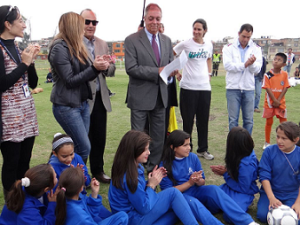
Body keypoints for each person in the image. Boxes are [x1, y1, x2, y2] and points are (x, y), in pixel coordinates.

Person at [160, 130, 259, 225]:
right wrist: (189, 183)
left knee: (214, 189)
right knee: (193, 203)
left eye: (189, 144)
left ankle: (248, 222)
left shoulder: (193, 157)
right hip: (181, 197)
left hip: (196, 191)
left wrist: (198, 180)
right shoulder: (164, 165)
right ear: (173, 147)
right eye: (185, 145)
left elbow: (202, 182)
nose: (189, 148)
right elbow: (169, 193)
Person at [48, 12, 109, 164]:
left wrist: (99, 63)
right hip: (66, 106)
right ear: (74, 26)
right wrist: (94, 68)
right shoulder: (59, 48)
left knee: (78, 146)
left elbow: (85, 72)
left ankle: (75, 179)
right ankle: (67, 175)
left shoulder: (76, 45)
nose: (85, 28)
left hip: (81, 102)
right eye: (82, 24)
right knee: (83, 146)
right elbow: (69, 80)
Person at [125, 3, 177, 172]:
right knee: (138, 136)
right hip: (139, 96)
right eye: (151, 18)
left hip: (161, 96)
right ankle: (136, 169)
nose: (155, 22)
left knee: (158, 137)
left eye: (158, 19)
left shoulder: (167, 41)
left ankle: (152, 167)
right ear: (145, 19)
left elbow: (168, 66)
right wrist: (158, 71)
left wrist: (171, 72)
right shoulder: (132, 39)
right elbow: (131, 68)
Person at [109, 130, 199, 225]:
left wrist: (151, 181)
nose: (149, 152)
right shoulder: (129, 177)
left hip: (134, 215)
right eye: (145, 149)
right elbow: (144, 208)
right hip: (132, 219)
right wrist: (152, 185)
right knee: (173, 194)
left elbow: (137, 195)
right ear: (134, 150)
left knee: (177, 209)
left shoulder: (132, 166)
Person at [0, 5, 39, 200]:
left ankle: (24, 199)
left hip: (26, 114)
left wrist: (30, 61)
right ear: (7, 24)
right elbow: (2, 83)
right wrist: (23, 64)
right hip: (8, 118)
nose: (24, 25)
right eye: (20, 21)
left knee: (25, 161)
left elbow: (33, 83)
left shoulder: (17, 46)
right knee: (12, 162)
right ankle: (12, 202)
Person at [80, 9, 113, 183]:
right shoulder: (73, 43)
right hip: (82, 98)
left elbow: (111, 71)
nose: (91, 26)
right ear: (79, 22)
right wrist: (95, 66)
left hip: (100, 97)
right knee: (82, 139)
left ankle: (98, 171)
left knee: (100, 137)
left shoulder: (102, 43)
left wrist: (107, 66)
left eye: (94, 22)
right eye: (87, 22)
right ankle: (80, 174)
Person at [174, 18, 214, 160]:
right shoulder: (186, 44)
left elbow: (209, 58)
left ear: (205, 31)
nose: (196, 32)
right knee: (188, 121)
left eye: (199, 29)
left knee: (203, 120)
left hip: (204, 89)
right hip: (188, 88)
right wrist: (176, 71)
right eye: (194, 29)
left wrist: (209, 74)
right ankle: (186, 150)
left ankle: (203, 149)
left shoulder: (208, 45)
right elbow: (172, 54)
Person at [222, 23, 262, 135]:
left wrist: (252, 64)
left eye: (248, 37)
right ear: (239, 34)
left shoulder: (256, 49)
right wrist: (245, 64)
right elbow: (228, 66)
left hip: (248, 88)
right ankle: (233, 147)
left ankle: (246, 147)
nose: (245, 39)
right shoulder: (228, 48)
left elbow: (257, 69)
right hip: (233, 88)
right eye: (243, 36)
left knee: (248, 120)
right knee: (233, 120)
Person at [257, 121, 300, 223]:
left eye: (284, 138)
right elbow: (264, 176)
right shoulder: (269, 151)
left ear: (295, 140)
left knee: (295, 219)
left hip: (292, 194)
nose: (279, 141)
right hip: (272, 192)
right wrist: (271, 197)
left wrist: (298, 202)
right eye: (277, 137)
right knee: (263, 216)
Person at [55, 167, 128, 225]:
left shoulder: (67, 198)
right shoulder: (79, 215)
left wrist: (94, 193)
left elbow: (91, 213)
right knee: (122, 217)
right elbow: (87, 218)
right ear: (81, 188)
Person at [210, 127, 259, 212]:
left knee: (231, 213)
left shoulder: (246, 165)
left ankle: (247, 201)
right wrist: (226, 170)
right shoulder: (245, 152)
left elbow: (244, 188)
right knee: (210, 201)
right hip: (232, 187)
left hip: (244, 192)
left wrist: (226, 174)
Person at [262, 53, 290, 149]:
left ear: (284, 64)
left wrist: (278, 100)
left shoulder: (285, 74)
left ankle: (285, 141)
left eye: (279, 60)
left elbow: (286, 87)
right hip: (269, 104)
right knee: (269, 122)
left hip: (280, 104)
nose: (276, 61)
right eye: (275, 59)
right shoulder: (268, 75)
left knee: (284, 123)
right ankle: (267, 142)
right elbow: (267, 88)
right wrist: (274, 100)